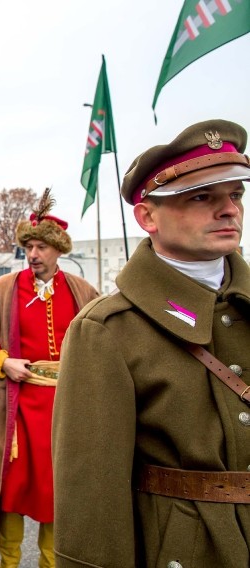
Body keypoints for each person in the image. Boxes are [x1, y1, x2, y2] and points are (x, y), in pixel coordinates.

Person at [54, 119, 250, 568]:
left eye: (235, 195)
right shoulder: (107, 330)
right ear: (147, 217)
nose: (229, 210)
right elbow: (92, 502)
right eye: (203, 197)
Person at [0, 190, 98, 568]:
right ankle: (8, 563)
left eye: (42, 246)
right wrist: (3, 362)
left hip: (65, 409)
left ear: (58, 250)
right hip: (17, 408)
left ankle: (51, 562)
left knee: (56, 490)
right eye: (29, 246)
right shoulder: (4, 288)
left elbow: (98, 340)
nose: (34, 254)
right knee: (13, 488)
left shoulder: (82, 291)